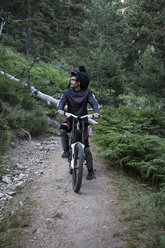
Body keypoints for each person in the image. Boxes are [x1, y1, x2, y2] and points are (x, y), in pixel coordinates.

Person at [57, 66, 100, 180]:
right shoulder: (67, 92)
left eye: (73, 80)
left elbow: (94, 103)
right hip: (71, 119)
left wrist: (96, 112)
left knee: (85, 146)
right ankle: (66, 152)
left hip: (83, 121)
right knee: (62, 129)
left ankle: (90, 172)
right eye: (70, 79)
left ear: (79, 82)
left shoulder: (87, 93)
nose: (71, 81)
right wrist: (60, 110)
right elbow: (61, 102)